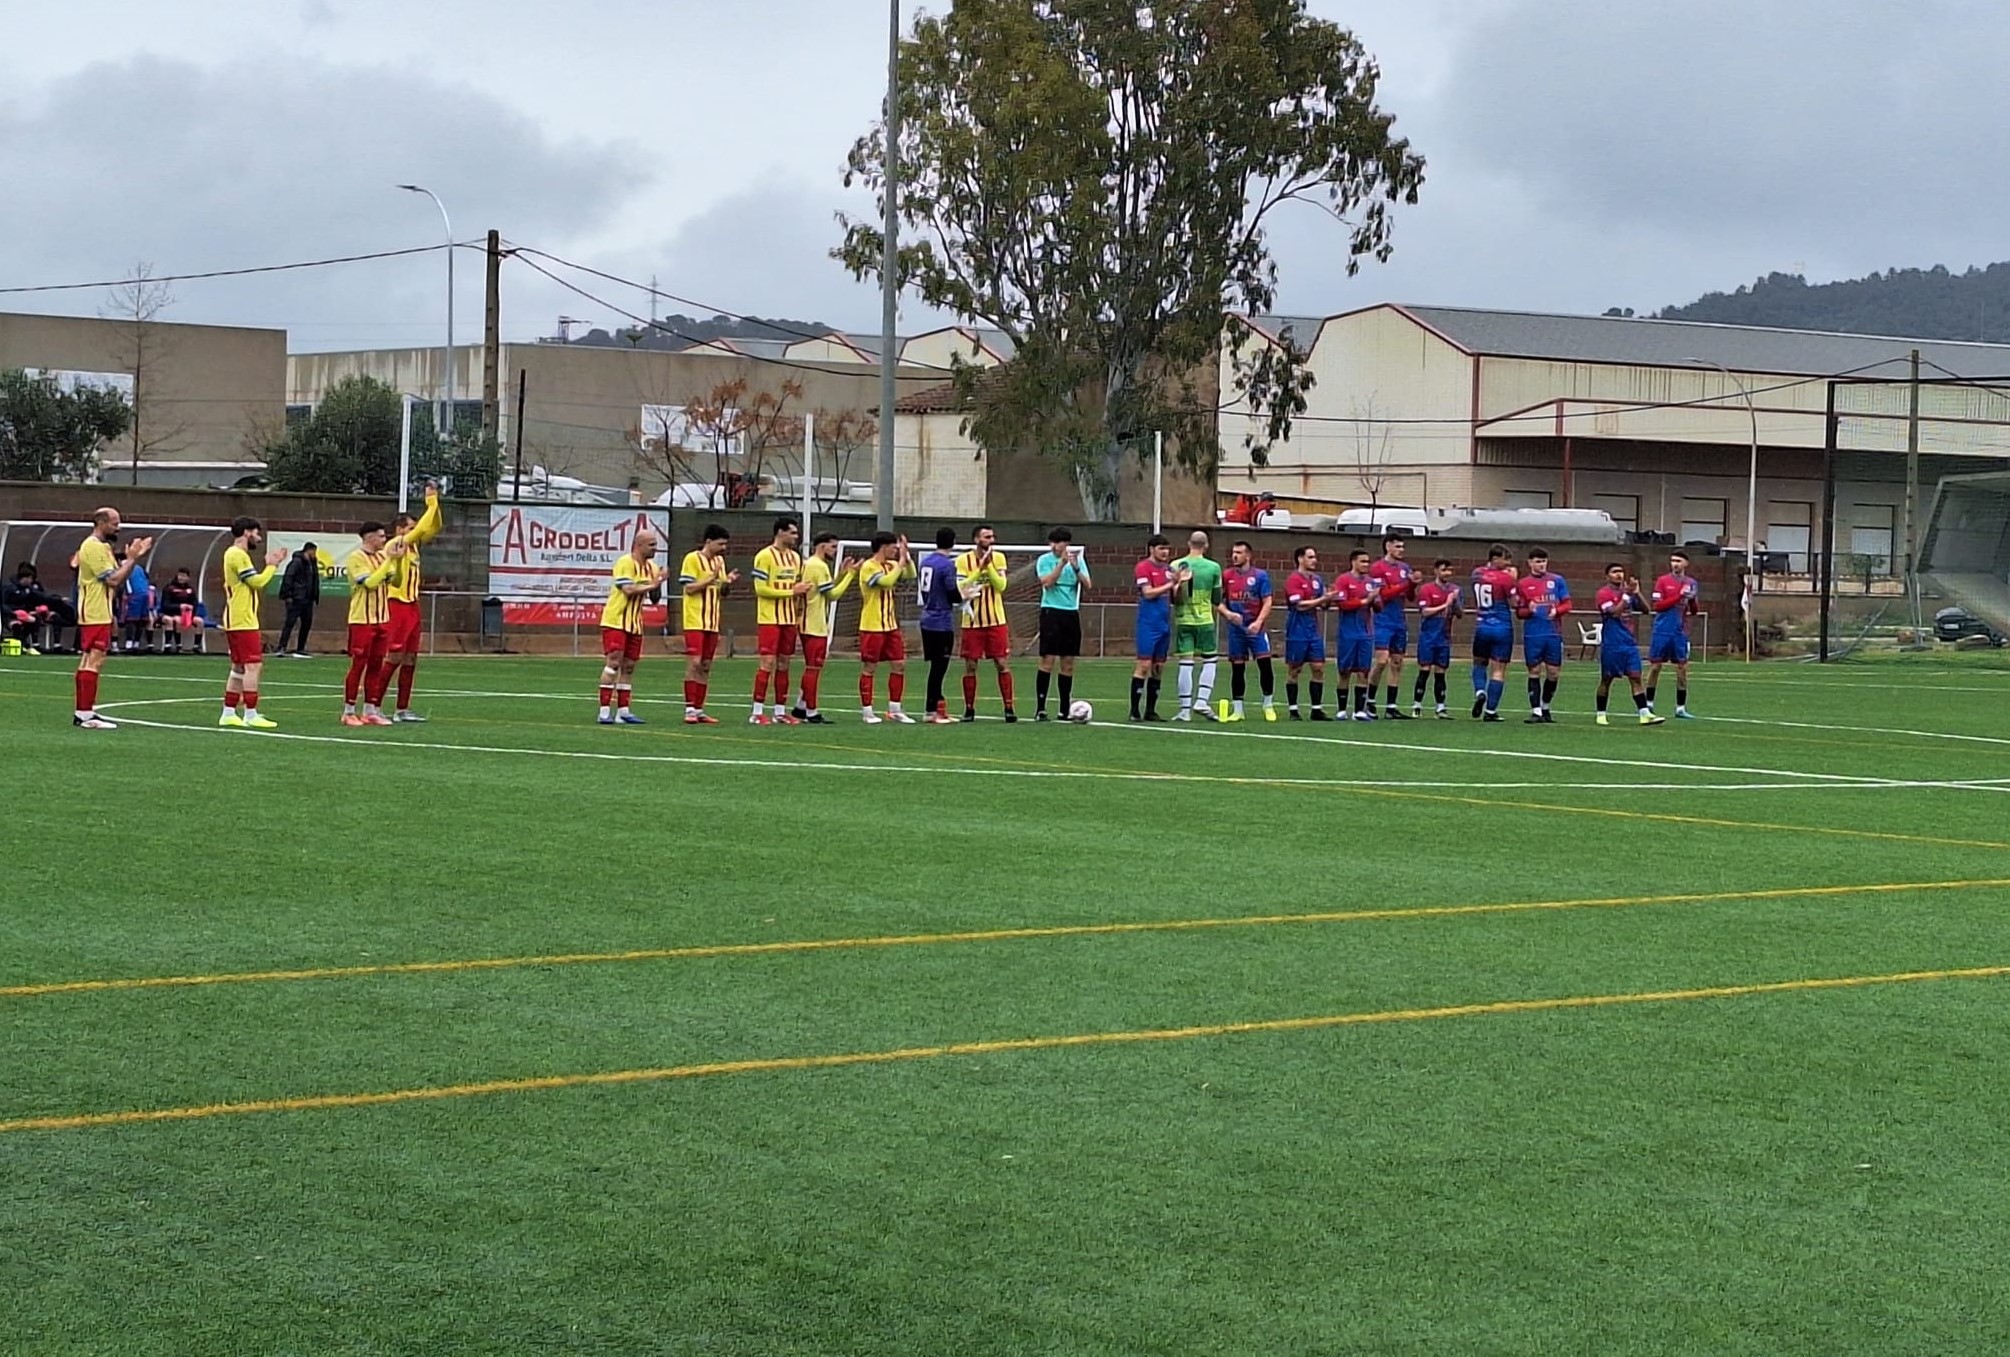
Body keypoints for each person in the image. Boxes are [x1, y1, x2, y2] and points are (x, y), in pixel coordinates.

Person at [70, 507, 153, 729]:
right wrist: (132, 559)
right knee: (95, 659)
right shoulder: (92, 547)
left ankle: (83, 711)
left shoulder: (104, 547)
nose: (119, 527)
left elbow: (118, 575)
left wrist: (130, 559)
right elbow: (114, 580)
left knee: (90, 660)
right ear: (101, 523)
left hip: (99, 610)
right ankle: (86, 715)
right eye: (115, 523)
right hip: (95, 611)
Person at [218, 516, 287, 728]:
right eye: (256, 533)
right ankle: (250, 713)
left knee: (239, 667)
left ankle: (229, 712)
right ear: (247, 532)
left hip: (239, 618)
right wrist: (272, 566)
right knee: (253, 665)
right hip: (242, 620)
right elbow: (257, 582)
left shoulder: (235, 554)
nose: (258, 538)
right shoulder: (237, 554)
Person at [383, 481, 444, 722]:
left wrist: (435, 504)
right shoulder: (396, 545)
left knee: (410, 658)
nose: (415, 530)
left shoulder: (414, 548)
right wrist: (429, 502)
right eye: (410, 526)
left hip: (412, 606)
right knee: (394, 656)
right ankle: (373, 704)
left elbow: (435, 526)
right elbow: (421, 530)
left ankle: (402, 709)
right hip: (397, 604)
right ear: (400, 530)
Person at [341, 522, 406, 727]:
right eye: (380, 536)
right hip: (362, 619)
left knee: (376, 665)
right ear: (368, 538)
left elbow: (396, 582)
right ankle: (348, 710)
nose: (384, 540)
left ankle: (370, 710)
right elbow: (369, 583)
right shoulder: (355, 558)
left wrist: (400, 562)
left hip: (382, 618)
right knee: (358, 664)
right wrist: (390, 562)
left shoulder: (381, 557)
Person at [599, 528, 666, 725]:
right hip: (616, 620)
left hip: (635, 623)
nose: (655, 548)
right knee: (614, 661)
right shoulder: (625, 562)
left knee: (629, 666)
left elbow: (654, 599)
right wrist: (652, 585)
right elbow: (628, 589)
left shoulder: (652, 567)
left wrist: (659, 582)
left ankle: (623, 711)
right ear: (639, 545)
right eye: (651, 544)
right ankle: (604, 711)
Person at [750, 516, 810, 725]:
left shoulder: (795, 558)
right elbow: (760, 589)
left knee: (785, 663)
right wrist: (791, 591)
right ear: (780, 532)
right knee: (767, 661)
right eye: (792, 532)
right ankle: (757, 712)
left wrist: (800, 603)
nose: (796, 536)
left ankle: (780, 711)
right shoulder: (764, 556)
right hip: (769, 618)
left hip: (789, 618)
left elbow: (799, 586)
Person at [791, 532, 855, 724]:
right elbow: (833, 595)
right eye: (833, 547)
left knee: (813, 666)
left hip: (810, 621)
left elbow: (824, 590)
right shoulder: (818, 566)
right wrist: (850, 576)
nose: (835, 551)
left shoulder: (812, 564)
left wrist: (842, 574)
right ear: (822, 546)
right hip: (813, 623)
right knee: (814, 668)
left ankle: (801, 707)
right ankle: (812, 711)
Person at [957, 523, 1016, 722]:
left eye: (992, 537)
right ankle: (969, 709)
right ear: (976, 540)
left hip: (995, 620)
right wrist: (978, 570)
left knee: (1001, 663)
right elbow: (961, 585)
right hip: (972, 622)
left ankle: (1009, 708)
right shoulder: (963, 560)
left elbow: (1001, 586)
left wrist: (988, 566)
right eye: (986, 537)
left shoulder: (998, 558)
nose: (991, 540)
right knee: (971, 665)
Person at [679, 524, 737, 724]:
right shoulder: (692, 559)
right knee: (694, 662)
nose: (723, 548)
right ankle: (689, 709)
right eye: (720, 544)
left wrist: (726, 583)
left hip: (712, 621)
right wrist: (711, 578)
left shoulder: (720, 561)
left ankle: (699, 709)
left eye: (725, 544)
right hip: (695, 620)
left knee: (706, 665)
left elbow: (721, 592)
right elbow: (689, 588)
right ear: (708, 541)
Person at [1594, 564, 1666, 727]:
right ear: (1607, 576)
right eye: (1614, 572)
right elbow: (1614, 613)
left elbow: (1647, 610)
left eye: (1620, 572)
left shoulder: (1627, 592)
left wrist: (1637, 593)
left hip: (1629, 643)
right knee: (1607, 679)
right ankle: (1601, 713)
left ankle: (1644, 713)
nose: (1619, 575)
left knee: (1635, 677)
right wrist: (1626, 596)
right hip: (1612, 644)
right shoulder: (1603, 594)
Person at [857, 531, 916, 724]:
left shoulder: (891, 564)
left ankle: (895, 709)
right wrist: (900, 562)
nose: (895, 551)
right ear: (884, 547)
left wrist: (905, 556)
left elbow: (911, 574)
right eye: (893, 547)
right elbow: (887, 582)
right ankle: (867, 711)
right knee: (870, 667)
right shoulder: (868, 567)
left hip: (890, 625)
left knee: (899, 664)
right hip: (872, 625)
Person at [1033, 526, 1089, 721]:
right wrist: (1061, 565)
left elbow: (1087, 584)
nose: (1055, 546)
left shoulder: (1078, 560)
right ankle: (1040, 707)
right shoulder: (1044, 561)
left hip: (1070, 613)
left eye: (1059, 542)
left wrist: (1075, 567)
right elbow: (1047, 583)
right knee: (1047, 660)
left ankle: (1064, 709)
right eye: (1052, 542)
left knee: (1068, 662)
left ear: (1067, 544)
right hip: (1051, 612)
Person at [1513, 547, 1571, 724]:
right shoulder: (1523, 584)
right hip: (1533, 635)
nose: (1541, 565)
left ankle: (1546, 706)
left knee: (1553, 673)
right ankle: (1536, 710)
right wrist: (1527, 611)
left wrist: (1557, 610)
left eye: (1544, 561)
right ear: (1530, 563)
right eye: (1538, 561)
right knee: (1534, 671)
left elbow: (1567, 604)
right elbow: (1519, 612)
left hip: (1553, 633)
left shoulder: (1557, 580)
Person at [1220, 540, 1276, 722]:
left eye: (1239, 552)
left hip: (1256, 628)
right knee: (1237, 668)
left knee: (1265, 665)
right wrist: (1227, 613)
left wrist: (1259, 622)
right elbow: (1217, 601)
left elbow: (1267, 601)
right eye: (1233, 552)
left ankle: (1268, 705)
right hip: (1236, 630)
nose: (1234, 555)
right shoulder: (1227, 575)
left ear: (1248, 555)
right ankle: (1238, 710)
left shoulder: (1260, 576)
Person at [1171, 530, 1223, 721]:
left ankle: (1185, 710)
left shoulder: (1175, 565)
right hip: (1205, 619)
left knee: (1185, 662)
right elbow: (1217, 597)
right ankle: (1201, 700)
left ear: (1188, 543)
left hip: (1183, 619)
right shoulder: (1213, 567)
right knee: (1210, 660)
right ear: (1206, 546)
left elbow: (1173, 598)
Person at [1366, 533, 1417, 718]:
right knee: (1381, 660)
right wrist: (1406, 584)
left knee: (1397, 662)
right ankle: (1369, 700)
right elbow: (1384, 595)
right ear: (1387, 547)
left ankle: (1391, 707)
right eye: (1397, 546)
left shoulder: (1405, 568)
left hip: (1399, 621)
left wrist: (1412, 585)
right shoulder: (1377, 568)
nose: (1401, 550)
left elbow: (1411, 597)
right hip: (1382, 620)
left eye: (1403, 547)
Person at [1469, 544, 1519, 722]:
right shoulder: (1505, 578)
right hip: (1501, 627)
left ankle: (1480, 690)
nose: (1508, 564)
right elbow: (1515, 603)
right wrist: (1514, 580)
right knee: (1498, 669)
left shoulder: (1476, 574)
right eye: (1506, 559)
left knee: (1479, 663)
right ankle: (1490, 711)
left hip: (1482, 625)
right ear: (1495, 558)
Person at [1130, 533, 1178, 721]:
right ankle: (1134, 710)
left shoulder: (1169, 570)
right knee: (1143, 665)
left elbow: (1175, 597)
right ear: (1152, 549)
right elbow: (1148, 593)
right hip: (1148, 624)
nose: (1165, 552)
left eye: (1167, 549)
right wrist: (1170, 584)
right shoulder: (1143, 567)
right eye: (1161, 548)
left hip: (1164, 624)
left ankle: (1151, 710)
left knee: (1158, 667)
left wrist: (1180, 584)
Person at [1648, 549, 1700, 718]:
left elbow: (1694, 611)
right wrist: (1679, 596)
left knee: (1682, 668)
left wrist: (1691, 599)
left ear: (1686, 564)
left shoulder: (1691, 583)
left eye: (1678, 561)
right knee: (1655, 667)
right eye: (1673, 561)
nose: (1675, 564)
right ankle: (1648, 704)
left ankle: (1680, 708)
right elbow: (1658, 606)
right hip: (1662, 630)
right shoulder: (1662, 581)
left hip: (1679, 631)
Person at [917, 527, 961, 723]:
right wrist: (964, 596)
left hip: (927, 617)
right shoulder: (947, 565)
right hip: (940, 621)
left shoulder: (926, 562)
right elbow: (952, 592)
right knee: (939, 667)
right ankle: (931, 710)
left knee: (937, 667)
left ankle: (937, 708)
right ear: (953, 542)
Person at [1283, 545, 1329, 720]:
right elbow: (1299, 605)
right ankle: (1293, 709)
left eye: (1314, 557)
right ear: (1300, 559)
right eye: (1310, 557)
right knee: (1295, 669)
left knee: (1318, 667)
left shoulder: (1317, 580)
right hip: (1297, 630)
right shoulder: (1293, 580)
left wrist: (1328, 599)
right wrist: (1322, 599)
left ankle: (1316, 709)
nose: (1314, 560)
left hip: (1313, 630)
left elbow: (1323, 604)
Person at [1332, 549, 1379, 720]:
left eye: (1368, 561)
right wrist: (1365, 600)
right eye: (1363, 561)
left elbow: (1378, 608)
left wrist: (1376, 600)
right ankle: (1341, 709)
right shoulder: (1343, 580)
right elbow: (1343, 604)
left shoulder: (1371, 582)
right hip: (1348, 633)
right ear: (1353, 562)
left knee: (1363, 671)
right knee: (1345, 671)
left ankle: (1359, 710)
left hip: (1366, 633)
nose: (1366, 565)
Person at [1410, 559, 1460, 719]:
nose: (1448, 573)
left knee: (1441, 672)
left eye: (1450, 570)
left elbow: (1460, 614)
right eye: (1444, 570)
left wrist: (1455, 603)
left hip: (1444, 637)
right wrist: (1445, 605)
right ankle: (1417, 705)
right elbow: (1425, 611)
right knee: (1424, 670)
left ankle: (1441, 707)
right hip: (1428, 636)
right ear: (1436, 571)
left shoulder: (1455, 590)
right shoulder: (1427, 589)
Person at [4, 563, 59, 654]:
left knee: (35, 620)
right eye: (30, 578)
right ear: (25, 578)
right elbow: (3, 604)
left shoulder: (28, 589)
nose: (31, 581)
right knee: (17, 625)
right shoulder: (9, 588)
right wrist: (13, 613)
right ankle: (21, 644)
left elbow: (41, 596)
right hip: (9, 615)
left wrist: (57, 599)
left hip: (23, 614)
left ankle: (26, 644)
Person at [277, 543, 320, 657]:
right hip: (297, 598)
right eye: (313, 552)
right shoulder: (297, 562)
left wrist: (314, 595)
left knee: (306, 623)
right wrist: (287, 595)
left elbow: (315, 579)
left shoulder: (312, 563)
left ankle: (300, 647)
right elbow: (288, 577)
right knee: (290, 623)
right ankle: (282, 647)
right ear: (309, 551)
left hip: (308, 598)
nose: (315, 554)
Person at [159, 566, 204, 653]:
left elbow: (194, 604)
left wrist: (191, 609)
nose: (181, 578)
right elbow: (165, 605)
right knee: (178, 620)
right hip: (171, 614)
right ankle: (177, 645)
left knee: (200, 621)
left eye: (183, 576)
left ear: (188, 578)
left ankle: (196, 646)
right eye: (180, 575)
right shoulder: (169, 588)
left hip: (188, 615)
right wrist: (179, 606)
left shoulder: (190, 590)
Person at [118, 550, 155, 653]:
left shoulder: (123, 567)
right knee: (141, 620)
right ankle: (136, 644)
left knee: (131, 619)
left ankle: (129, 644)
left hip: (134, 594)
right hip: (145, 594)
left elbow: (122, 581)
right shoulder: (138, 567)